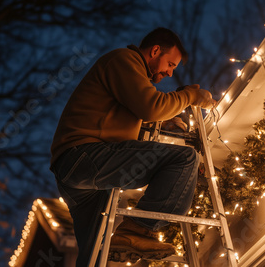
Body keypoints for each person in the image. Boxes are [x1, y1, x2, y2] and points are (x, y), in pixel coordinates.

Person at [49, 27, 216, 266]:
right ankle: (138, 231)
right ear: (155, 50)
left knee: (97, 254)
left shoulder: (126, 73)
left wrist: (161, 119)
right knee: (184, 158)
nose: (170, 73)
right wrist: (189, 97)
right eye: (170, 64)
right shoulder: (124, 60)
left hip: (76, 171)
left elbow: (134, 111)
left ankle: (126, 238)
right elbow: (150, 106)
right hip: (86, 155)